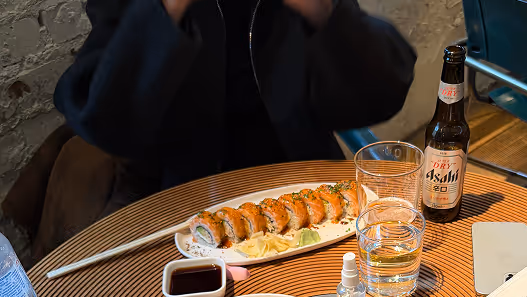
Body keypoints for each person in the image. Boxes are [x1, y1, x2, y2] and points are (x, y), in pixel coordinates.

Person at [54, 0, 416, 200]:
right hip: (172, 198)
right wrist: (166, 10)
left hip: (303, 183)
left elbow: (384, 94)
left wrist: (322, 11)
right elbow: (105, 123)